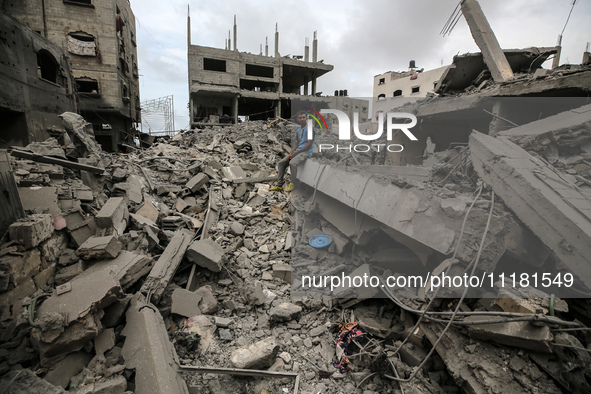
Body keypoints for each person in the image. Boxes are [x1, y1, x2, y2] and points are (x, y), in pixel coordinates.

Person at [270, 111, 315, 191]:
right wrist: (291, 153)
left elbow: (309, 144)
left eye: (304, 117)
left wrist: (297, 152)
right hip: (298, 151)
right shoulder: (299, 130)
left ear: (306, 118)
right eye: (300, 118)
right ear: (297, 119)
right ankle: (279, 185)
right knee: (281, 163)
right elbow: (296, 143)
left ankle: (293, 183)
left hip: (306, 152)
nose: (302, 119)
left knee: (292, 163)